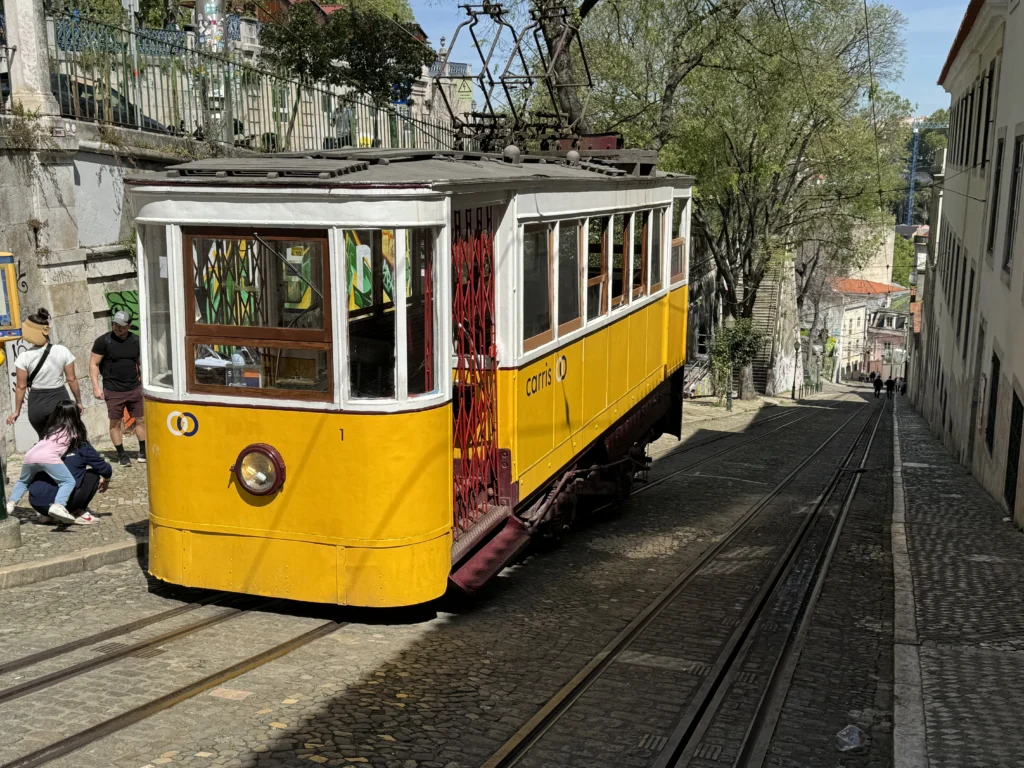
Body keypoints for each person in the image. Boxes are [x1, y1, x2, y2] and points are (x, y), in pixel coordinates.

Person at [6, 402, 88, 524]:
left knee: (23, 481)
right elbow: (81, 445)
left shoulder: (50, 428)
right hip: (49, 458)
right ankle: (59, 505)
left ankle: (10, 504)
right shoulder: (73, 429)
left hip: (30, 456)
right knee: (67, 481)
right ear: (75, 414)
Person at [7, 308, 84, 437]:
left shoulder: (23, 357)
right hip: (59, 399)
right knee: (62, 439)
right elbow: (71, 379)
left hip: (36, 403)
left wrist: (17, 411)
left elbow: (21, 386)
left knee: (44, 440)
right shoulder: (62, 351)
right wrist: (79, 402)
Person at [90, 311, 146, 466]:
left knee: (141, 419)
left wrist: (144, 383)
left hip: (135, 388)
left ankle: (143, 451)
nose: (117, 328)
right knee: (115, 422)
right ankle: (122, 455)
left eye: (121, 326)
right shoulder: (103, 341)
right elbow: (93, 364)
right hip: (113, 389)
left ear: (128, 326)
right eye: (115, 324)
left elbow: (142, 363)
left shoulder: (136, 341)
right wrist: (96, 387)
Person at [28, 434, 110, 525]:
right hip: (65, 504)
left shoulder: (41, 444)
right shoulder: (80, 445)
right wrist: (106, 480)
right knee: (93, 475)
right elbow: (104, 469)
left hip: (36, 503)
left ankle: (46, 515)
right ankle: (77, 512)